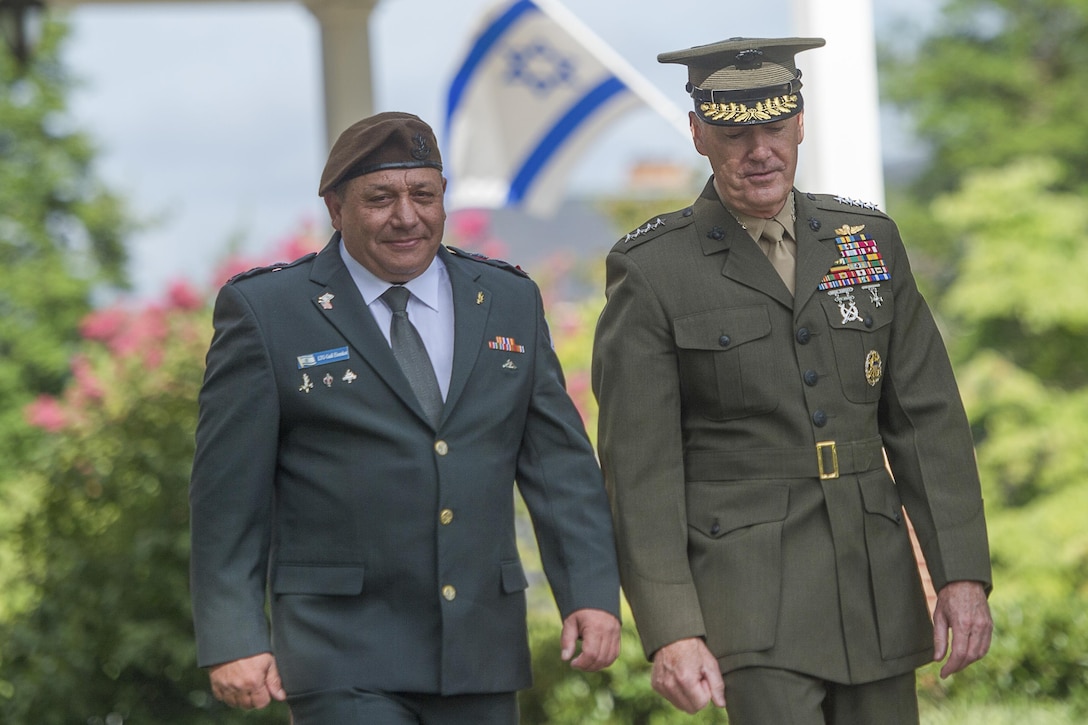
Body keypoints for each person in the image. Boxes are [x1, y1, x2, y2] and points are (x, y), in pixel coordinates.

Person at [591, 37, 993, 725]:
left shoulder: (867, 240)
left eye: (774, 127)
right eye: (734, 133)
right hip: (748, 598)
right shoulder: (653, 269)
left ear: (800, 124)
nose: (759, 151)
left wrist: (961, 573)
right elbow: (639, 470)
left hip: (875, 585)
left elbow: (927, 421)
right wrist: (672, 626)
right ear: (697, 134)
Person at [190, 111, 621, 724]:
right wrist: (234, 635)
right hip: (340, 653)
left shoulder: (508, 300)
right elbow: (226, 495)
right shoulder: (267, 311)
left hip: (479, 646)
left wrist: (591, 595)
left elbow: (559, 466)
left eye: (424, 194)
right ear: (336, 208)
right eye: (380, 198)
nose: (406, 215)